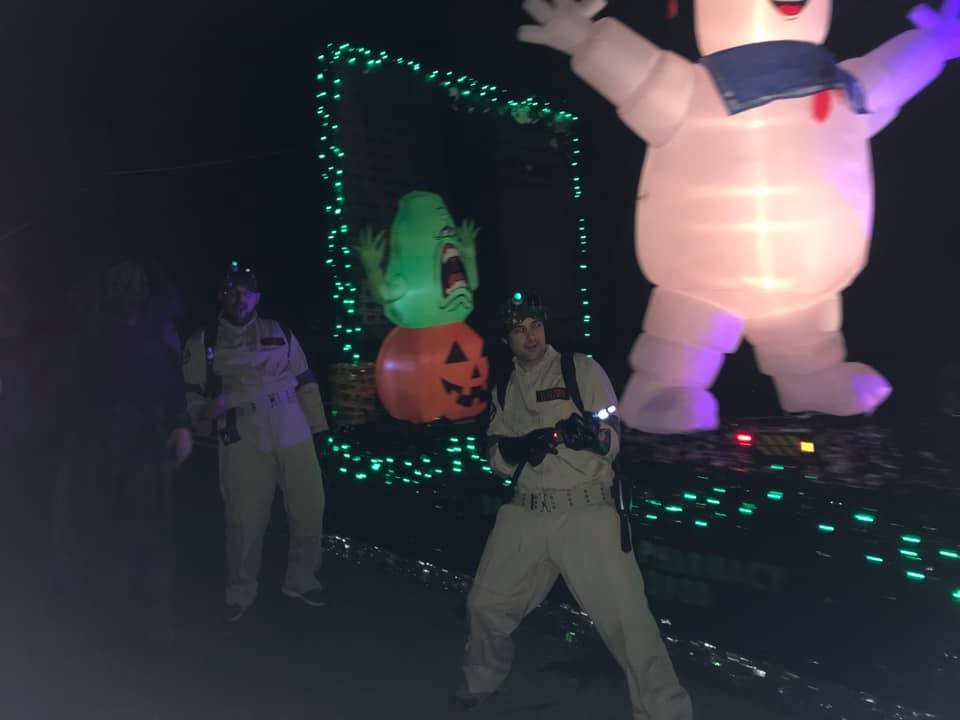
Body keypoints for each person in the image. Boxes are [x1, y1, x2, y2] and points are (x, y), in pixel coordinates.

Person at [454, 291, 693, 719]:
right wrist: (521, 449)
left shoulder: (580, 369)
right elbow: (496, 457)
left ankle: (665, 711)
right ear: (506, 338)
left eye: (536, 326)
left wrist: (591, 437)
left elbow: (611, 434)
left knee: (628, 623)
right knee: (485, 606)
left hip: (586, 512)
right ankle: (481, 681)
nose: (531, 336)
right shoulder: (505, 387)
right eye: (519, 330)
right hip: (525, 512)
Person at [48, 257, 193, 646]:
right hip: (100, 442)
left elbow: (172, 381)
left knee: (152, 527)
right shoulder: (92, 329)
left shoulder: (159, 328)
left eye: (135, 283)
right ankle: (104, 617)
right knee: (101, 526)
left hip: (146, 442)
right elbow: (72, 385)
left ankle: (152, 614)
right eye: (121, 283)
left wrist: (181, 425)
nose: (129, 290)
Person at [182, 263, 329, 622]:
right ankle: (240, 589)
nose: (239, 298)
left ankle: (302, 578)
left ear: (257, 297)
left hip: (291, 423)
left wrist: (318, 429)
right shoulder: (203, 341)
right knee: (244, 516)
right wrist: (205, 416)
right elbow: (193, 395)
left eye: (246, 291)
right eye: (231, 291)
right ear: (221, 296)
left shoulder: (279, 331)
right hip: (242, 431)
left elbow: (305, 379)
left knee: (310, 506)